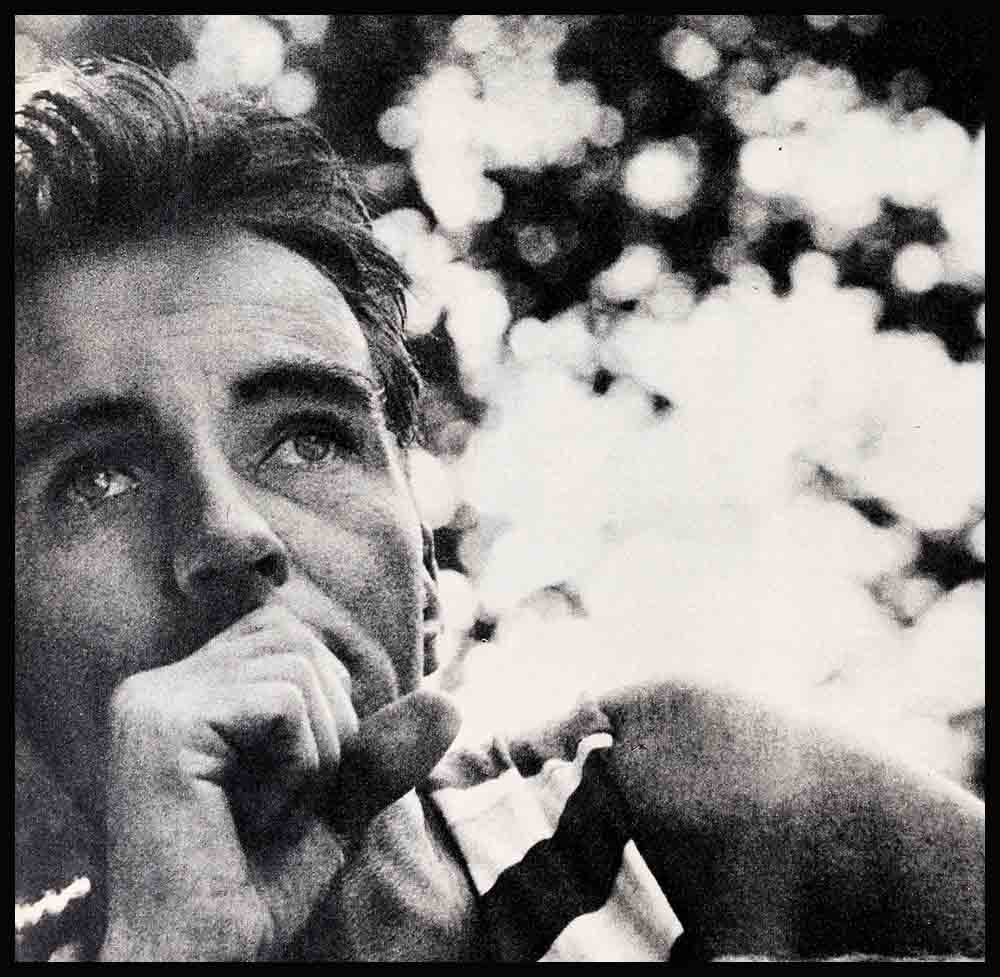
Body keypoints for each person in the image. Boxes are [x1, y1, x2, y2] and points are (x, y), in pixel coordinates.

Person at [14, 57, 984, 962]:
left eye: (308, 438)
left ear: (426, 572)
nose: (231, 530)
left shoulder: (672, 809)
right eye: (99, 479)